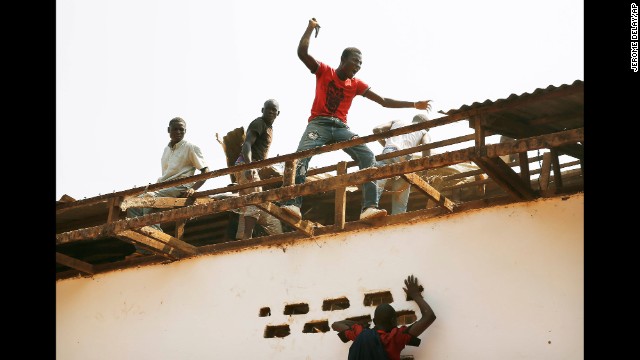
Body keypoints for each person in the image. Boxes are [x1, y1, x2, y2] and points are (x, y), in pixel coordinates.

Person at [280, 18, 433, 221]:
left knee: (368, 156)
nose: (358, 67)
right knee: (301, 156)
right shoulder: (325, 71)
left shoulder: (356, 84)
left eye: (360, 64)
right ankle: (293, 204)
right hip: (319, 123)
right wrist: (309, 28)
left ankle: (369, 207)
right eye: (355, 62)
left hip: (341, 127)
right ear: (343, 60)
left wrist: (414, 104)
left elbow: (384, 101)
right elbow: (302, 53)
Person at [125, 117, 209, 258]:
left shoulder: (190, 147)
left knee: (148, 199)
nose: (178, 132)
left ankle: (160, 241)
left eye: (181, 129)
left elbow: (205, 171)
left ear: (185, 131)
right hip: (164, 185)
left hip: (180, 186)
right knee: (132, 205)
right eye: (175, 129)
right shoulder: (166, 150)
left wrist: (194, 188)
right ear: (168, 130)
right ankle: (143, 248)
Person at [331, 275, 436, 360]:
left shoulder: (360, 334)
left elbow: (335, 325)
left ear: (374, 321)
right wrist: (415, 295)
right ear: (393, 320)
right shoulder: (396, 338)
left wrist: (358, 325)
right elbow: (429, 316)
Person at [233, 99, 283, 240]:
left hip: (251, 166)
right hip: (246, 165)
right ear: (262, 110)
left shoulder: (269, 128)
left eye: (274, 110)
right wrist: (249, 166)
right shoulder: (259, 123)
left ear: (278, 113)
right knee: (256, 199)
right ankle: (247, 237)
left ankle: (241, 236)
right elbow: (247, 144)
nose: (271, 112)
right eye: (268, 109)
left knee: (248, 204)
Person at [373, 114, 432, 215]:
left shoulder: (396, 121)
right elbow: (426, 146)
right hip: (405, 159)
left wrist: (386, 145)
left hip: (388, 152)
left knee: (378, 183)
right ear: (424, 123)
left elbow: (376, 130)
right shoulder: (423, 132)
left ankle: (370, 208)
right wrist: (425, 172)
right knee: (400, 193)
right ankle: (397, 218)